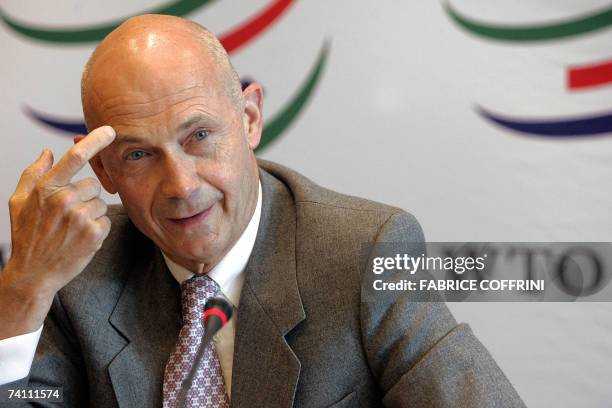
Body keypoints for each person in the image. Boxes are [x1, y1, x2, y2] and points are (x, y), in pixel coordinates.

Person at [0, 14, 525, 407]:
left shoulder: (364, 252)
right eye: (139, 155)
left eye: (199, 136)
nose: (181, 186)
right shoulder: (73, 273)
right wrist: (22, 289)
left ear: (249, 119)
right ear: (104, 172)